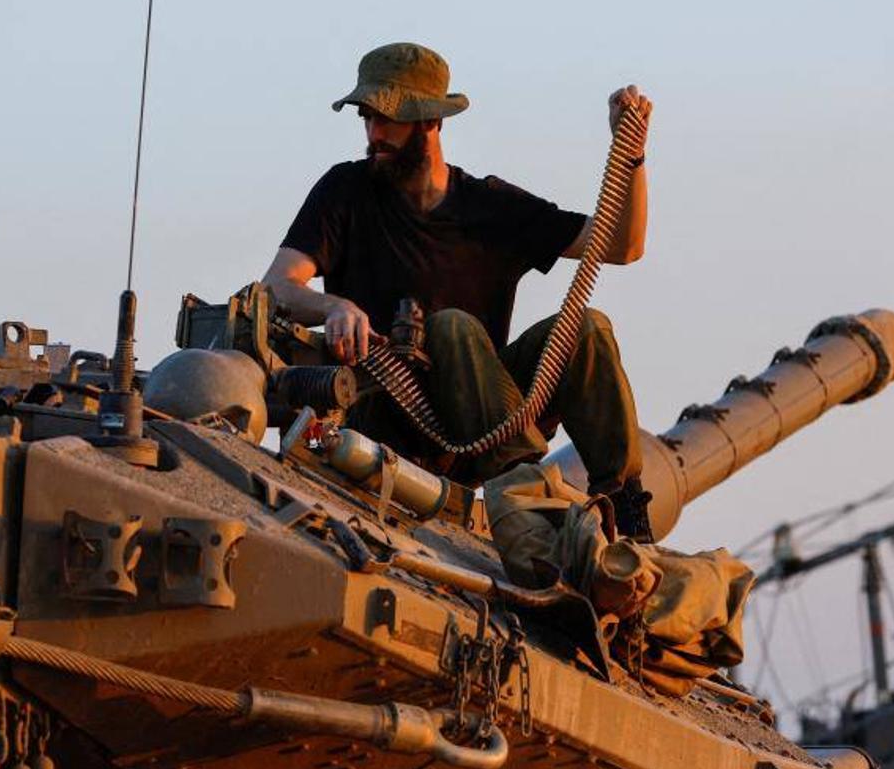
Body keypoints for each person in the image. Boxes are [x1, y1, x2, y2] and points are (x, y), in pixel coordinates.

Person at [263, 42, 655, 539]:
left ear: (429, 122)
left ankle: (627, 509)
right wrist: (334, 305)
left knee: (587, 328)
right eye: (367, 118)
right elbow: (277, 287)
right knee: (451, 324)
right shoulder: (346, 191)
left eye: (387, 119)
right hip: (391, 417)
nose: (373, 133)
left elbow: (622, 245)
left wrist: (633, 154)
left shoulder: (487, 206)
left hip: (483, 423)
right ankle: (534, 494)